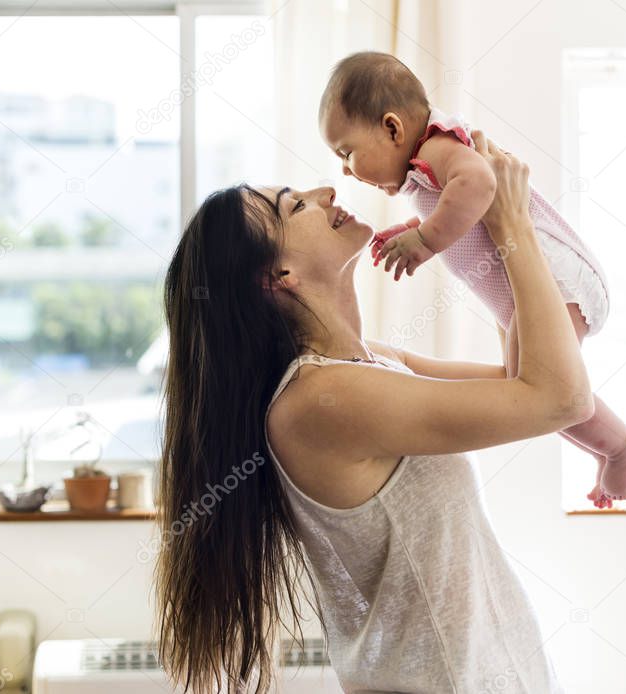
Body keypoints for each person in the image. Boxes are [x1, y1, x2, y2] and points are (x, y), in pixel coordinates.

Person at [155, 131, 583, 692]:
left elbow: (523, 377)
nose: (326, 190)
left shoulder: (370, 364)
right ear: (278, 277)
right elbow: (560, 398)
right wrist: (511, 227)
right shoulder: (320, 401)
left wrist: (476, 233)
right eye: (296, 206)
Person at [319, 51, 626, 507]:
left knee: (541, 391)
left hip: (554, 276)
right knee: (529, 389)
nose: (345, 169)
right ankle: (611, 448)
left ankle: (624, 447)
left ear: (393, 128)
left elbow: (479, 184)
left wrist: (427, 240)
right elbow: (459, 213)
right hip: (528, 288)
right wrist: (416, 232)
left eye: (347, 152)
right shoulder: (425, 163)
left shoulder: (436, 147)